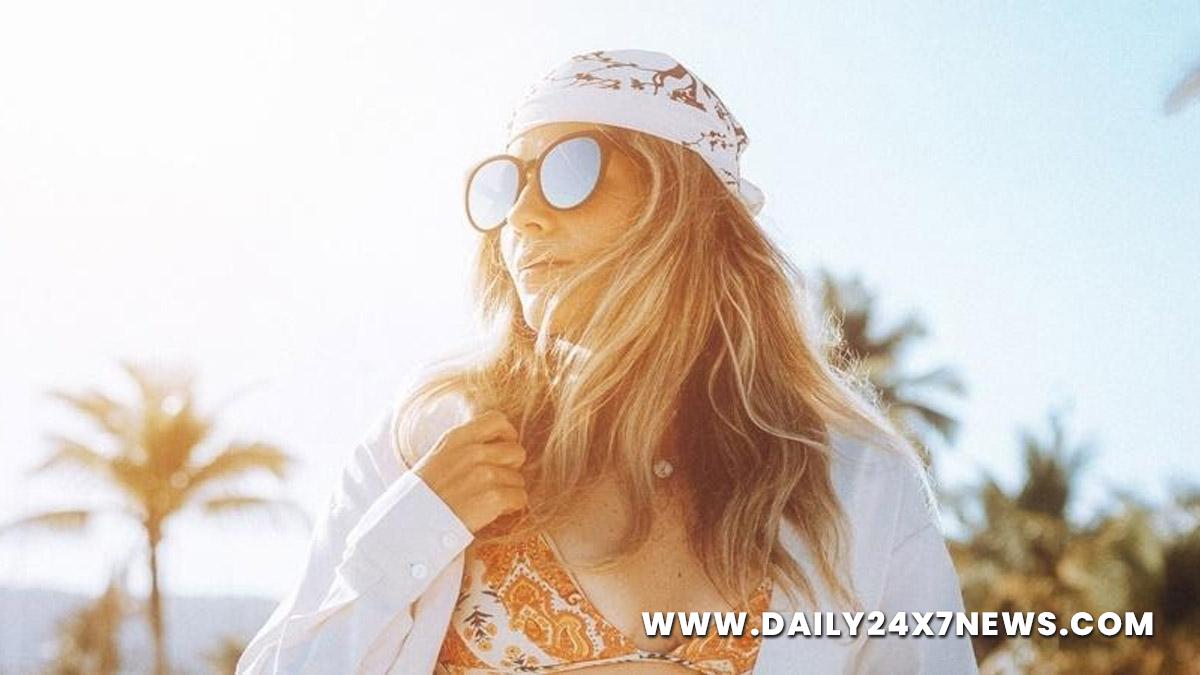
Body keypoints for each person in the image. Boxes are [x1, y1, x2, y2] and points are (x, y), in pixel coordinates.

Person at [237, 48, 978, 674]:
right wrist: (412, 530)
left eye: (570, 170)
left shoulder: (855, 483)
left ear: (681, 207)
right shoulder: (430, 442)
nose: (523, 216)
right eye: (507, 183)